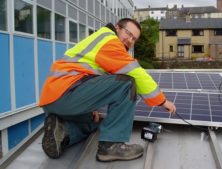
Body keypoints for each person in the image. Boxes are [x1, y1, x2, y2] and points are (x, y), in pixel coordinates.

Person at [39, 18, 176, 162]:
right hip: (67, 93)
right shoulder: (110, 41)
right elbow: (135, 72)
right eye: (128, 33)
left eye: (134, 38)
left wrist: (88, 106)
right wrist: (162, 101)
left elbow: (91, 79)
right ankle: (111, 146)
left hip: (52, 100)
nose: (130, 40)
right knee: (127, 83)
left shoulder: (100, 39)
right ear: (117, 28)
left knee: (93, 121)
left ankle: (63, 133)